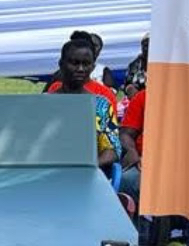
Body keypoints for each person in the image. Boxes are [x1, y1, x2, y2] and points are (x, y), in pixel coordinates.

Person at [47, 40, 121, 174]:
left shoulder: (101, 105)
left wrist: (90, 166)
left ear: (93, 67)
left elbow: (113, 149)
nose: (80, 69)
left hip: (88, 175)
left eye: (86, 64)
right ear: (61, 64)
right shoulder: (44, 103)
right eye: (74, 63)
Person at [119, 83, 147, 205]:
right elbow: (126, 134)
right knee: (127, 180)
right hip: (144, 161)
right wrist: (133, 152)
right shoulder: (143, 97)